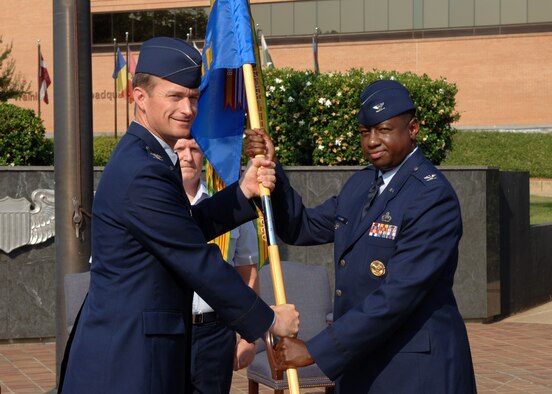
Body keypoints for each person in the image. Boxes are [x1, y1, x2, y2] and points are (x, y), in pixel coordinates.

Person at [59, 37, 299, 394]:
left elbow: (181, 229)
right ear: (140, 98)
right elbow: (194, 257)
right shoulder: (143, 170)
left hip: (136, 351)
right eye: (174, 96)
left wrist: (243, 193)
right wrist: (267, 320)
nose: (187, 108)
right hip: (129, 361)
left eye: (193, 97)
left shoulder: (148, 157)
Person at [245, 80, 476, 393]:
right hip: (364, 362)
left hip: (413, 370)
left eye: (383, 130)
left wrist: (315, 350)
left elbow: (397, 295)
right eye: (365, 132)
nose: (371, 141)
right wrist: (273, 170)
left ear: (413, 128)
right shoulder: (361, 185)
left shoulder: (431, 197)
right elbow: (303, 227)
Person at [174, 137, 260, 393]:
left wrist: (249, 336)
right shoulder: (155, 207)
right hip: (169, 330)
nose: (187, 156)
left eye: (194, 149)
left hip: (214, 333)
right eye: (179, 149)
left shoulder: (231, 206)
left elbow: (248, 274)